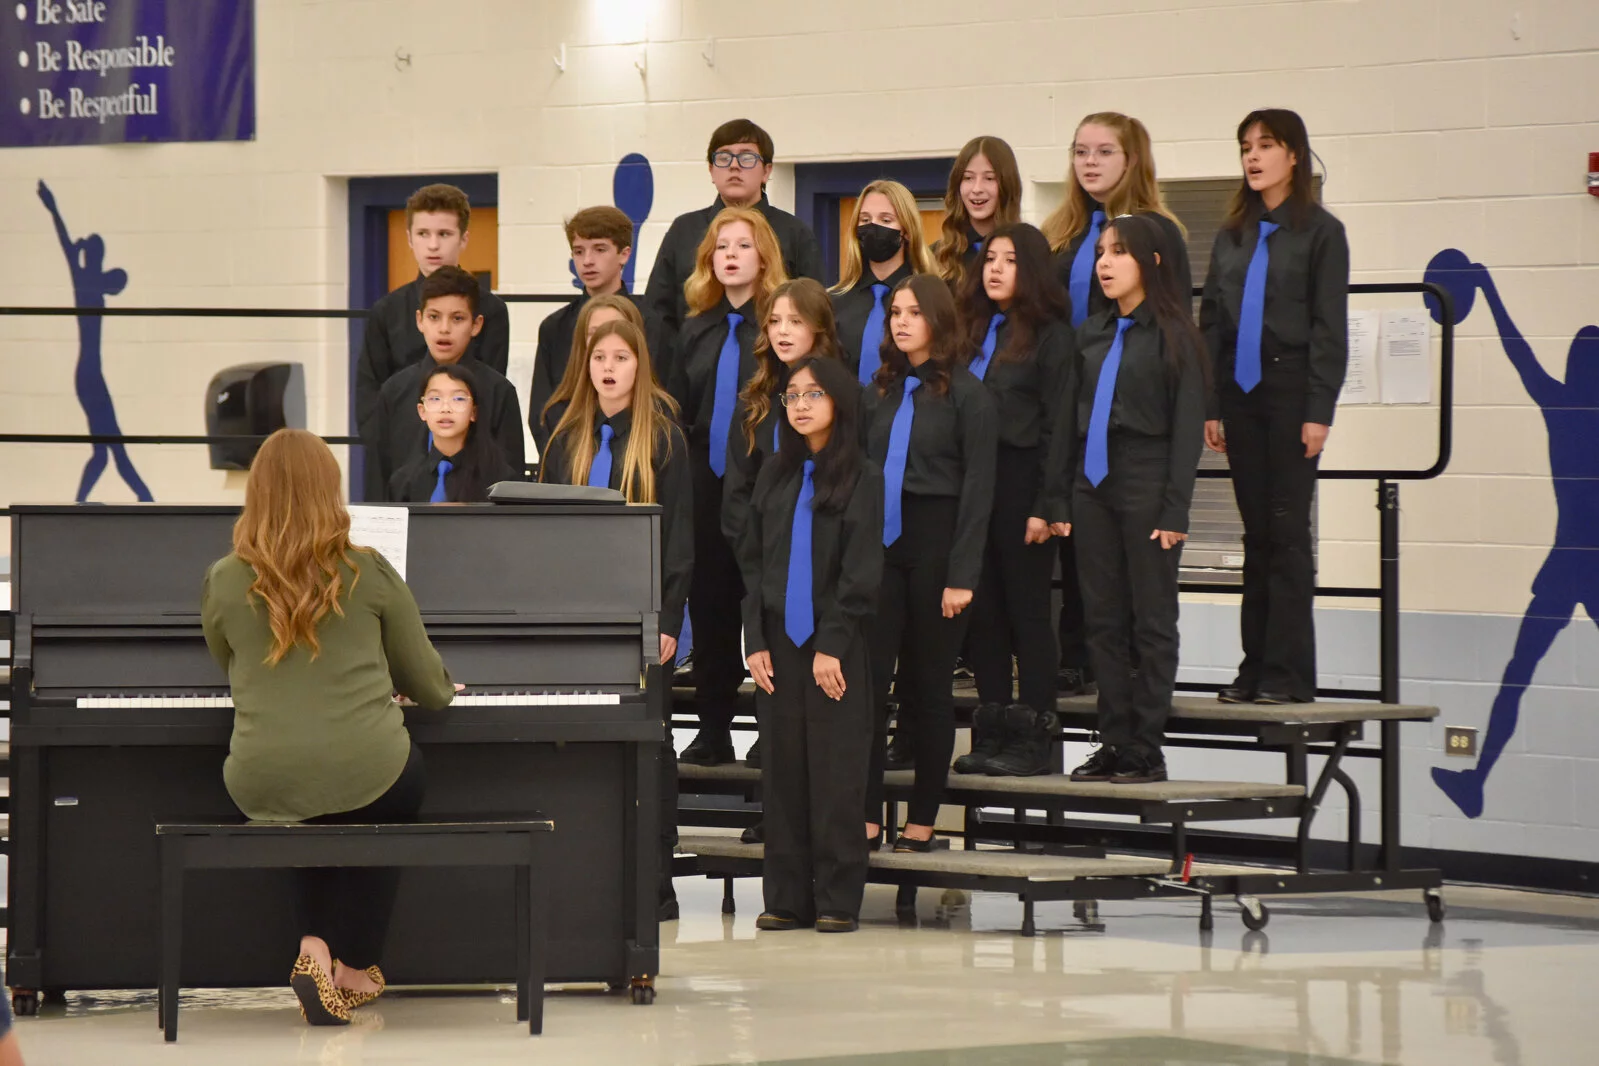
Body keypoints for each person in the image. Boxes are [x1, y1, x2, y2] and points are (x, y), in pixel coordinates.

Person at [201, 429, 457, 1026]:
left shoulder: (222, 578)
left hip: (259, 774)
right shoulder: (367, 570)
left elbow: (231, 665)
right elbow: (432, 690)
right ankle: (356, 965)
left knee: (299, 802)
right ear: (331, 492)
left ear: (256, 492)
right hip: (365, 764)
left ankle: (312, 944)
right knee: (390, 788)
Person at [1200, 108, 1349, 706]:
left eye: (1266, 145)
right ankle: (1253, 667)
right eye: (1245, 147)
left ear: (1295, 155)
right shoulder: (1232, 234)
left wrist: (1319, 408)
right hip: (1240, 396)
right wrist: (1212, 403)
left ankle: (1289, 675)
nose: (1253, 156)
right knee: (1256, 534)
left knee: (1287, 534)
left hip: (1291, 393)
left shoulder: (1321, 232)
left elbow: (1327, 328)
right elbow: (1211, 320)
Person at [1040, 112, 1192, 696]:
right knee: (1079, 545)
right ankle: (1076, 656)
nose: (1090, 162)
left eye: (1104, 151)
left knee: (1131, 577)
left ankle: (1132, 692)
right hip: (1076, 387)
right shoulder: (1063, 232)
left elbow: (1171, 320)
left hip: (1132, 395)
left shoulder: (1157, 232)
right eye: (1081, 151)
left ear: (1132, 160)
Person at [1056, 215, 1207, 785]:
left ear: (1150, 261)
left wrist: (1176, 508)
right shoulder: (1091, 334)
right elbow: (1073, 420)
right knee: (1102, 619)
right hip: (1093, 484)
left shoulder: (1176, 335)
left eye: (1118, 252)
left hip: (1146, 476)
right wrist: (1066, 494)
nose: (1105, 262)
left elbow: (1187, 429)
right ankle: (1113, 740)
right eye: (1101, 252)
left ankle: (1146, 745)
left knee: (1151, 618)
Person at [736, 357, 884, 933]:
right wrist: (754, 639)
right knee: (784, 775)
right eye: (792, 395)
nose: (799, 404)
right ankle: (786, 898)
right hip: (777, 645)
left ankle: (838, 899)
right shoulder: (774, 472)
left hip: (833, 647)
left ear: (839, 404)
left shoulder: (862, 477)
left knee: (835, 774)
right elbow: (753, 562)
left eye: (813, 394)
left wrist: (832, 644)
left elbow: (861, 572)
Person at [863, 275, 996, 848]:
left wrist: (962, 575)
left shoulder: (969, 395)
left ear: (939, 320)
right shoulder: (883, 391)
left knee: (930, 687)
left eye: (914, 311)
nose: (901, 320)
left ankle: (922, 821)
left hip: (939, 544)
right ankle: (866, 816)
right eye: (895, 311)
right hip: (882, 548)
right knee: (869, 685)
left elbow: (979, 492)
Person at [669, 207, 789, 766]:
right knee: (711, 605)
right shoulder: (695, 329)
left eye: (743, 245)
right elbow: (680, 411)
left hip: (763, 482)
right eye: (721, 247)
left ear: (764, 255)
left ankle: (772, 728)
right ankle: (713, 728)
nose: (731, 255)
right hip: (703, 483)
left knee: (764, 605)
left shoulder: (779, 327)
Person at [956, 222, 1074, 777]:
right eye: (990, 258)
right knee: (984, 614)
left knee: (1027, 611)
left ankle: (1035, 733)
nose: (996, 268)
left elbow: (1057, 424)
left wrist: (1049, 503)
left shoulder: (1051, 334)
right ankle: (993, 729)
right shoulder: (972, 328)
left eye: (1009, 259)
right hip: (974, 484)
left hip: (1023, 481)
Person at [722, 277, 847, 773]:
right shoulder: (755, 399)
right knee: (772, 687)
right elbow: (737, 490)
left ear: (820, 327)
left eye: (795, 320)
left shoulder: (843, 395)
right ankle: (779, 819)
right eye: (774, 321)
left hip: (827, 572)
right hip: (767, 565)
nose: (783, 331)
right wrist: (753, 557)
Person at [542, 319, 693, 667]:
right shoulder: (565, 440)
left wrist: (668, 620)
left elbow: (678, 538)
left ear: (640, 366)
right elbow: (546, 532)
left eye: (621, 358)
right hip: (573, 604)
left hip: (642, 605)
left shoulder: (663, 439)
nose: (608, 367)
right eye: (598, 357)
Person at [356, 183, 509, 481]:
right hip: (399, 459)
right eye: (423, 234)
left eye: (444, 234)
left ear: (464, 239)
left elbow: (490, 393)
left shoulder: (490, 310)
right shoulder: (386, 311)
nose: (433, 246)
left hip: (471, 461)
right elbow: (369, 400)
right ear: (410, 240)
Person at [645, 119, 823, 353]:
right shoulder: (684, 230)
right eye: (723, 158)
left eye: (747, 158)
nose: (734, 166)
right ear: (711, 170)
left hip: (772, 367)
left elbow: (816, 315)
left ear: (767, 171)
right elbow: (658, 315)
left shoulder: (795, 233)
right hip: (691, 371)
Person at [371, 266, 526, 501]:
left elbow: (512, 485)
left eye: (457, 318)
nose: (444, 329)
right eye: (434, 317)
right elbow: (378, 477)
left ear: (476, 325)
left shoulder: (499, 391)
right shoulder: (394, 392)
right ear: (419, 320)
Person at [528, 206, 664, 453]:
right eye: (578, 252)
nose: (587, 261)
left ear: (624, 254)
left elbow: (659, 399)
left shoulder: (650, 323)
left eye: (599, 249)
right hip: (567, 459)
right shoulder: (554, 327)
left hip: (635, 454)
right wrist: (565, 459)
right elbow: (543, 410)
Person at [829, 179, 936, 382]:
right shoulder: (833, 301)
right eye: (865, 219)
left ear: (906, 230)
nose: (873, 227)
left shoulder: (930, 299)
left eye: (886, 220)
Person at [389, 362, 518, 502]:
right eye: (435, 399)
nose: (446, 408)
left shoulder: (500, 481)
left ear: (473, 412)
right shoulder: (402, 481)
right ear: (422, 411)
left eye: (458, 399)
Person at [536, 293, 652, 448]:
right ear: (582, 341)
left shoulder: (662, 419)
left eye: (617, 329)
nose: (607, 337)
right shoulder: (560, 418)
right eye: (595, 333)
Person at [933, 137, 1022, 295]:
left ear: (1007, 185)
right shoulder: (937, 256)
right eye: (968, 178)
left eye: (989, 178)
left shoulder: (1026, 252)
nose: (977, 189)